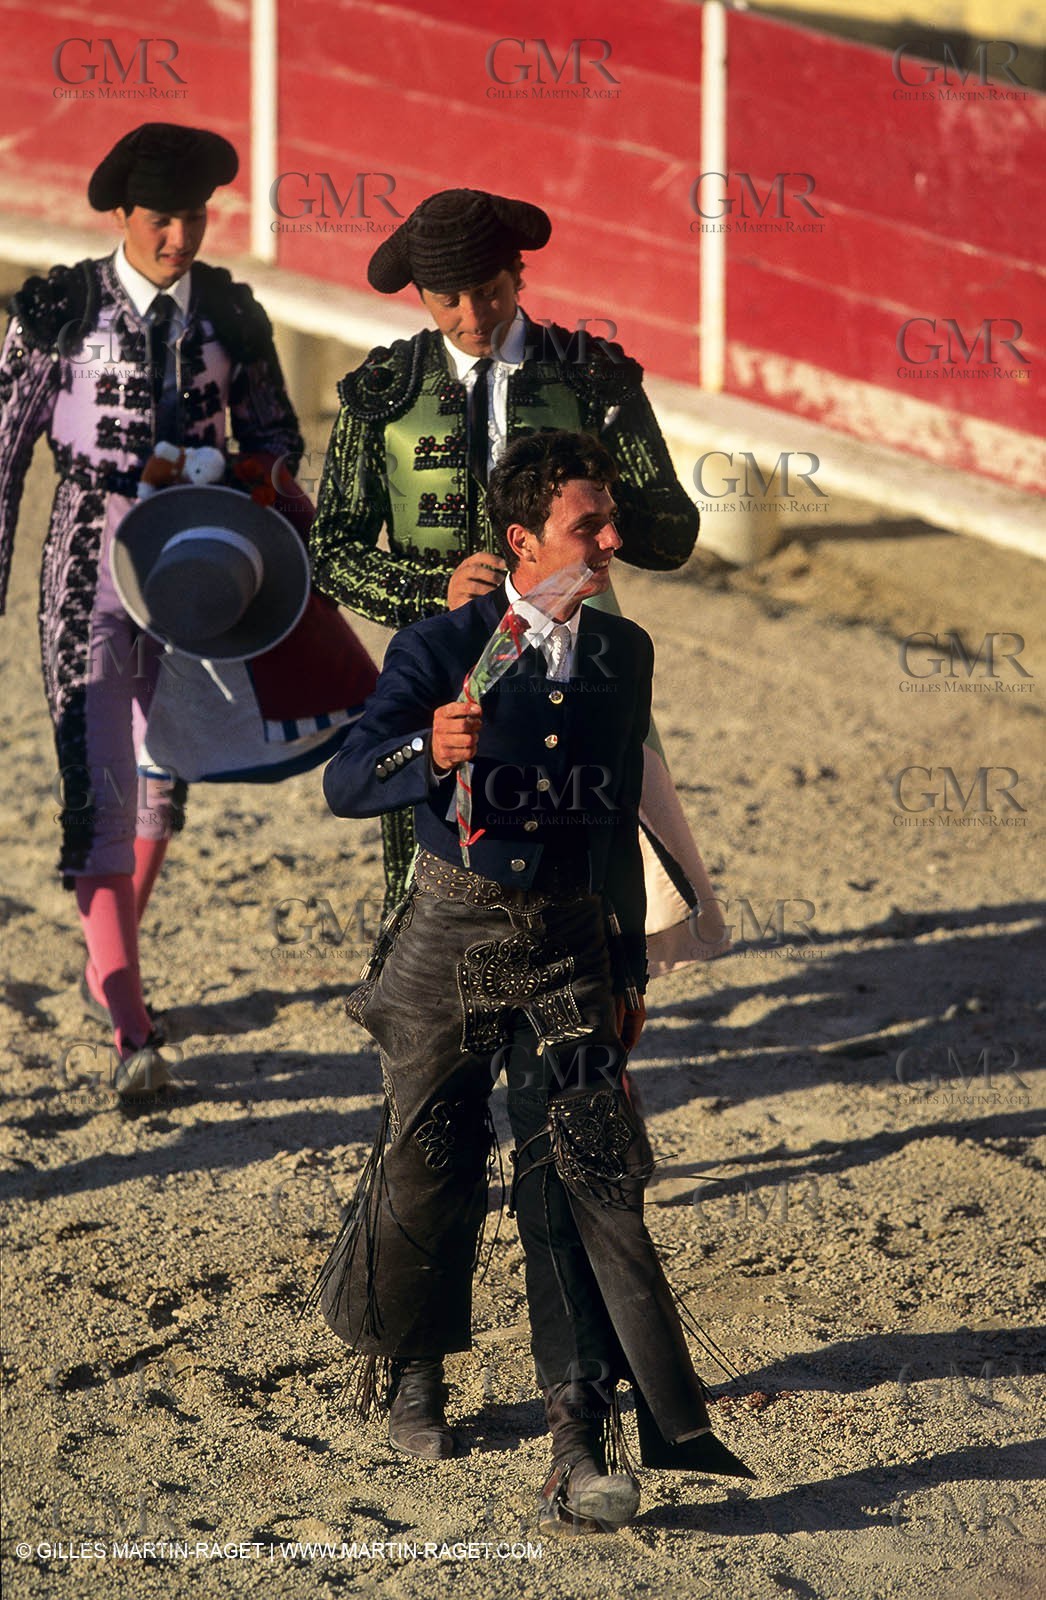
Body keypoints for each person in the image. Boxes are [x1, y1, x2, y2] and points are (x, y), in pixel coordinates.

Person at [311, 431, 750, 1534]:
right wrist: (427, 749)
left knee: (580, 1171)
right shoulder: (440, 643)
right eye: (585, 527)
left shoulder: (623, 650)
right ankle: (415, 1366)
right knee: (429, 1153)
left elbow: (611, 822)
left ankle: (577, 1429)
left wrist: (625, 966)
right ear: (522, 540)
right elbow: (345, 782)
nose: (608, 542)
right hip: (450, 932)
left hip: (566, 941)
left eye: (606, 523)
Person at [0, 122, 375, 1095]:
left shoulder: (231, 312)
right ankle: (129, 1023)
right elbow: (2, 455)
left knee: (157, 783)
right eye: (163, 218)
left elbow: (277, 435)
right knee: (102, 779)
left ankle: (106, 957)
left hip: (201, 564)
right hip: (87, 562)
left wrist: (241, 470)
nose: (181, 236)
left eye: (196, 217)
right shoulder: (57, 306)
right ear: (124, 216)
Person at [308, 188, 726, 971]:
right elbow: (328, 551)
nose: (471, 314)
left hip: (573, 654)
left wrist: (593, 507)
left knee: (596, 879)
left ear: (518, 275)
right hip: (441, 664)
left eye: (490, 291)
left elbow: (672, 535)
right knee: (426, 881)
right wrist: (428, 591)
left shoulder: (591, 377)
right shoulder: (383, 393)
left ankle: (592, 1062)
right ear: (420, 295)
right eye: (446, 299)